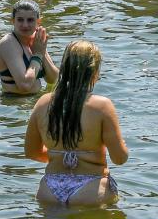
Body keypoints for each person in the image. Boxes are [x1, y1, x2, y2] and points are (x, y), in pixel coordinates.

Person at [25, 40, 128, 206]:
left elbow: (31, 152)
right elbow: (119, 158)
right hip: (91, 189)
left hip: (49, 190)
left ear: (64, 68)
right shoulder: (102, 106)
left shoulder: (43, 103)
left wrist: (61, 156)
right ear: (95, 72)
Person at [0, 0, 59, 95]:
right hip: (14, 104)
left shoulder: (36, 40)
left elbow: (53, 79)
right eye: (20, 20)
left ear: (38, 21)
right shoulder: (8, 43)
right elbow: (24, 85)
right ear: (13, 21)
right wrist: (38, 55)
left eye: (30, 20)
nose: (25, 25)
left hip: (34, 101)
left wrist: (42, 51)